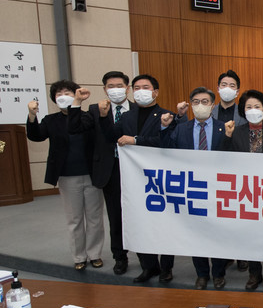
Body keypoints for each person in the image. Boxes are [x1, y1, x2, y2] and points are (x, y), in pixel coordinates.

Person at [101, 74, 175, 284]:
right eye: (137, 88)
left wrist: (136, 140)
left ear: (155, 92)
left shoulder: (166, 115)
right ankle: (148, 266)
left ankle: (166, 267)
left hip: (159, 178)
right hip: (133, 178)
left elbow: (166, 143)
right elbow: (110, 137)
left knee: (164, 222)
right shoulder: (127, 117)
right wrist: (103, 117)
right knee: (140, 222)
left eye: (145, 87)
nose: (140, 91)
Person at [27, 80, 104, 271]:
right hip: (67, 176)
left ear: (76, 95)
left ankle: (94, 254)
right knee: (74, 219)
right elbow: (36, 135)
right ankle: (79, 256)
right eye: (59, 93)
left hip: (92, 174)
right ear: (54, 99)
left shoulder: (88, 117)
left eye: (68, 92)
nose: (63, 96)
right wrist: (32, 115)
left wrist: (77, 105)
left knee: (94, 218)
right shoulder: (50, 120)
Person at [161, 87, 228, 290]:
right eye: (196, 102)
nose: (201, 105)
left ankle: (218, 273)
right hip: (192, 187)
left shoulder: (224, 127)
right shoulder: (182, 128)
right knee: (196, 232)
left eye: (205, 102)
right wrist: (165, 127)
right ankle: (202, 274)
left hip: (218, 186)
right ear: (191, 105)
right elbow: (166, 150)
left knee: (218, 232)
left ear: (212, 105)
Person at [68, 71, 132, 275]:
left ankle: (146, 257)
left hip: (135, 170)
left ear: (127, 88)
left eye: (119, 85)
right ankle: (120, 257)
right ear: (104, 89)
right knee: (115, 215)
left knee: (139, 213)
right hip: (110, 169)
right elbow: (74, 127)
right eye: (110, 86)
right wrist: (77, 102)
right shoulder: (95, 110)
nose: (115, 89)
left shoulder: (137, 109)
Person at [221, 89, 263, 291]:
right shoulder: (236, 132)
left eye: (257, 106)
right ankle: (254, 273)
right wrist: (227, 137)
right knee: (251, 234)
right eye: (249, 107)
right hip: (246, 191)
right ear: (243, 111)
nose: (253, 110)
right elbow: (224, 158)